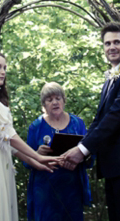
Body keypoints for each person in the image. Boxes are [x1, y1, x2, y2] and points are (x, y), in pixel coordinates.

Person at [62, 22, 120, 221]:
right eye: (107, 43)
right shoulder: (110, 78)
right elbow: (99, 120)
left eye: (116, 42)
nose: (111, 47)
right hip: (112, 163)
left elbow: (116, 116)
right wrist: (78, 147)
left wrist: (83, 149)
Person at [0, 51, 60, 221]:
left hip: (1, 159)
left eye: (4, 68)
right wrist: (36, 155)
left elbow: (8, 143)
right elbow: (7, 134)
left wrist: (34, 162)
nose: (3, 72)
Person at [24, 82, 92, 221]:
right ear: (44, 105)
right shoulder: (36, 126)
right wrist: (37, 154)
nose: (55, 102)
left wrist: (79, 157)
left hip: (72, 189)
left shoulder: (78, 123)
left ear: (64, 100)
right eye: (49, 100)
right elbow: (26, 161)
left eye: (58, 98)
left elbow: (90, 154)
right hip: (45, 190)